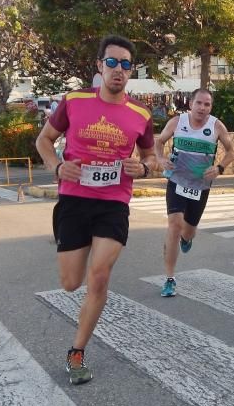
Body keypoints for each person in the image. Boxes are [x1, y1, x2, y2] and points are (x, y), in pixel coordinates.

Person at [35, 35, 157, 385]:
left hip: (113, 203)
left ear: (131, 71)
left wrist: (145, 168)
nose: (119, 70)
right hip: (74, 199)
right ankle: (74, 261)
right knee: (71, 283)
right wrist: (57, 166)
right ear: (99, 66)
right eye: (112, 62)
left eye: (126, 64)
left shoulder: (141, 114)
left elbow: (150, 156)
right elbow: (44, 140)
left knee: (99, 275)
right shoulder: (73, 102)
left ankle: (77, 351)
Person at [154, 88, 234, 297]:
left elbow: (232, 151)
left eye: (207, 104)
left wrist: (219, 168)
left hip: (200, 186)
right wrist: (160, 159)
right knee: (174, 225)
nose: (202, 108)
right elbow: (158, 141)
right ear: (190, 104)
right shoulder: (177, 122)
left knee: (188, 231)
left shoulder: (216, 126)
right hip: (176, 181)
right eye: (199, 103)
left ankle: (187, 238)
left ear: (211, 107)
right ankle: (169, 279)